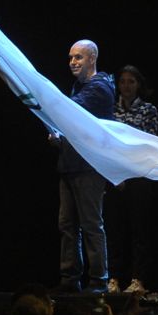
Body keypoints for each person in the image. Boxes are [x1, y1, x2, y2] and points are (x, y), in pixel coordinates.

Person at [55, 39, 116, 293]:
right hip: (70, 163)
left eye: (78, 57)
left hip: (89, 166)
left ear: (92, 58)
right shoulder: (79, 87)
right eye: (70, 58)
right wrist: (59, 135)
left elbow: (70, 112)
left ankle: (98, 281)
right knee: (67, 225)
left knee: (91, 224)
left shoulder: (99, 88)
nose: (72, 62)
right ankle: (70, 279)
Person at [108, 65, 158, 295]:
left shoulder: (148, 110)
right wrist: (116, 173)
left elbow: (147, 143)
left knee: (140, 230)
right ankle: (114, 278)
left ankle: (138, 278)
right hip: (115, 177)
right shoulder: (110, 110)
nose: (126, 86)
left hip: (138, 176)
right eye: (123, 82)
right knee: (115, 229)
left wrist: (129, 168)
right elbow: (107, 142)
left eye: (131, 82)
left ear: (138, 85)